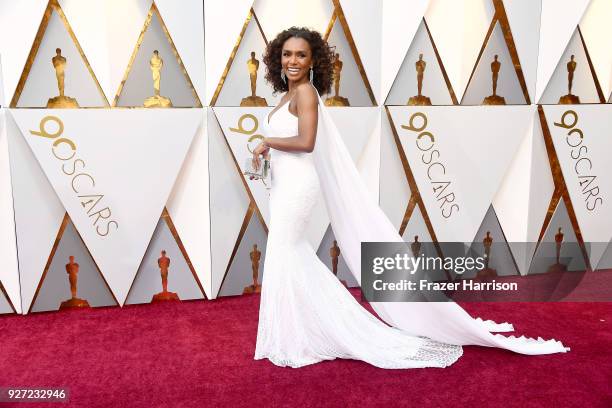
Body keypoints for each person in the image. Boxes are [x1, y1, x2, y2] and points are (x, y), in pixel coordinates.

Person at [251, 27, 568, 369]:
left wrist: (267, 142)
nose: (293, 60)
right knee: (287, 253)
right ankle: (294, 332)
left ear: (313, 60)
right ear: (277, 60)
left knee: (287, 252)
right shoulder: (286, 96)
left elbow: (306, 142)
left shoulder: (307, 94)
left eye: (301, 54)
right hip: (283, 185)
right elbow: (290, 142)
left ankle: (323, 330)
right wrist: (267, 155)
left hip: (299, 187)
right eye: (287, 54)